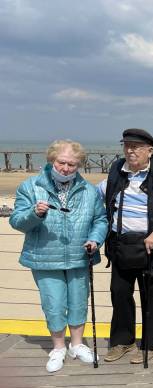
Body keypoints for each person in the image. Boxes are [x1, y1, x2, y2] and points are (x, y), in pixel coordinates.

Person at [10, 140, 107, 372]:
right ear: (51, 160)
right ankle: (58, 347)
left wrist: (95, 239)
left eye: (72, 165)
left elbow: (100, 220)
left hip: (80, 255)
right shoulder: (30, 186)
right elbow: (17, 221)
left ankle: (77, 345)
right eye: (61, 162)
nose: (66, 168)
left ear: (79, 165)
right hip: (44, 256)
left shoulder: (89, 190)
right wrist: (34, 213)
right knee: (53, 303)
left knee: (78, 301)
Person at [98, 129, 153, 364]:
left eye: (136, 146)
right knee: (120, 293)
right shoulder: (117, 169)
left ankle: (151, 344)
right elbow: (99, 194)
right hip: (121, 244)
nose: (130, 150)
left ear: (150, 150)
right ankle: (122, 342)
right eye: (126, 145)